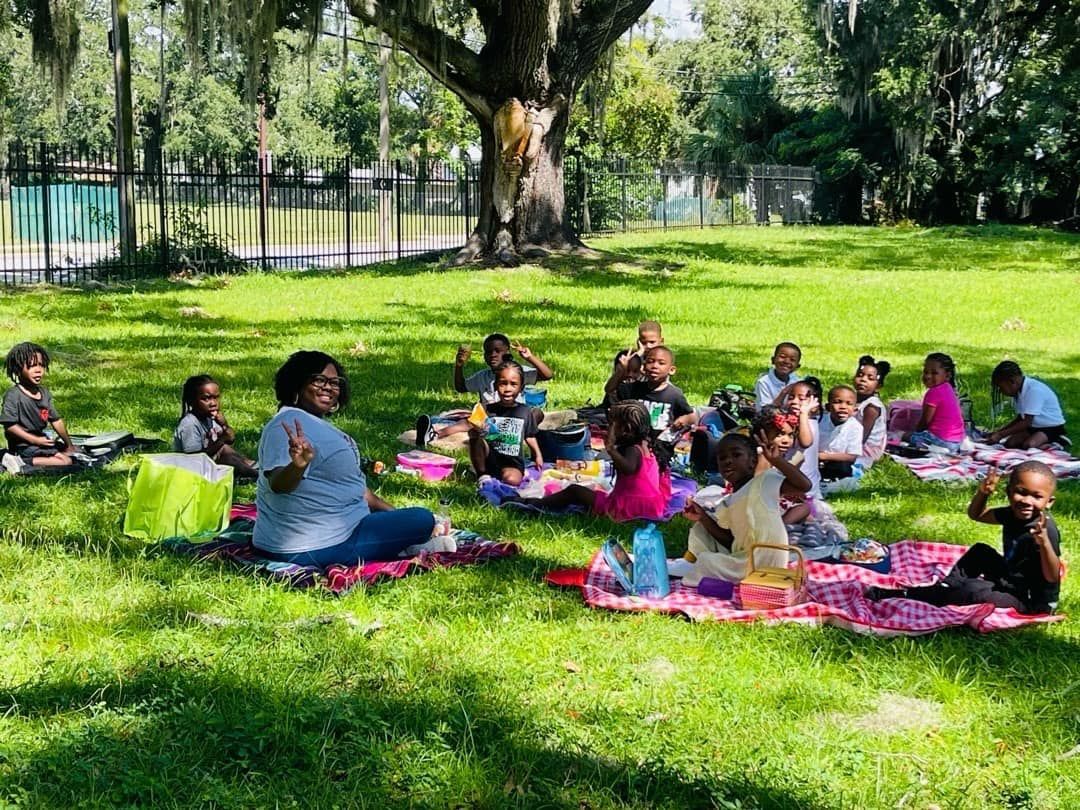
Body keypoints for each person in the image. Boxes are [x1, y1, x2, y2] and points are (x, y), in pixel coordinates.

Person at [253, 351, 436, 566]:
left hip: (342, 526)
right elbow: (278, 484)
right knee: (422, 519)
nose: (328, 387)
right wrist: (298, 466)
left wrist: (395, 515)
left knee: (412, 519)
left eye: (335, 382)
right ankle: (410, 545)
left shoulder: (312, 422)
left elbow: (356, 489)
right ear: (297, 383)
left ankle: (406, 541)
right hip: (311, 545)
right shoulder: (286, 425)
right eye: (319, 380)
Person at [867, 462, 1062, 614]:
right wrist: (983, 494)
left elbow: (1053, 576)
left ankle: (911, 594)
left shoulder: (1045, 529)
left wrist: (1044, 543)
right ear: (1009, 492)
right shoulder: (1012, 513)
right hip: (1011, 578)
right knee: (980, 551)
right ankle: (945, 587)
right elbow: (977, 515)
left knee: (973, 589)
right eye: (1021, 493)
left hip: (1030, 600)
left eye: (1037, 497)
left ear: (1049, 502)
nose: (1027, 501)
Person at [680, 428, 812, 587]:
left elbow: (804, 486)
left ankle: (703, 569)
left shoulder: (764, 481)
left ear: (752, 461)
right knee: (699, 529)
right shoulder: (727, 501)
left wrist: (777, 461)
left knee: (707, 561)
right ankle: (697, 565)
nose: (728, 461)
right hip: (743, 556)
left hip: (764, 560)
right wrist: (702, 516)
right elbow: (730, 540)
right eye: (722, 458)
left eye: (736, 455)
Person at [513, 401, 667, 521]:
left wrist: (611, 448)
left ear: (625, 429)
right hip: (652, 506)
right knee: (594, 490)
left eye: (612, 425)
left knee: (575, 491)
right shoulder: (647, 446)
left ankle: (535, 504)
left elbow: (629, 468)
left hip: (630, 508)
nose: (608, 429)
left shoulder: (632, 450)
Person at [417, 332, 553, 446]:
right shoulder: (483, 376)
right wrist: (459, 366)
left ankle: (516, 436)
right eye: (488, 352)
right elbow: (461, 387)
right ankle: (434, 434)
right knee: (473, 418)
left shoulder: (517, 371)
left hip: (516, 417)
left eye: (497, 351)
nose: (493, 355)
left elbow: (547, 375)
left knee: (537, 413)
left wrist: (530, 357)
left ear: (507, 353)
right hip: (491, 418)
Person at [2, 341, 80, 471]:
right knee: (65, 461)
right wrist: (34, 440)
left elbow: (56, 420)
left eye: (42, 365)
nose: (38, 370)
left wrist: (69, 445)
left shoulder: (44, 393)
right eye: (32, 366)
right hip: (23, 446)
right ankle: (18, 461)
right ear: (18, 370)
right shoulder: (14, 395)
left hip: (40, 443)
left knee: (71, 455)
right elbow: (10, 426)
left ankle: (29, 460)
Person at [467, 360, 543, 486]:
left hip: (512, 462)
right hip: (489, 459)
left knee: (511, 480)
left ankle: (500, 475)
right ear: (496, 385)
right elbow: (475, 429)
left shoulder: (524, 411)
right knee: (473, 435)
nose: (507, 389)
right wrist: (478, 428)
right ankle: (482, 475)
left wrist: (537, 456)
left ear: (521, 387)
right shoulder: (487, 409)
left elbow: (530, 436)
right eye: (503, 384)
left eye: (513, 384)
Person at [173, 374, 258, 479]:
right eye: (206, 398)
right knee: (227, 458)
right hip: (192, 471)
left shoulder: (210, 417)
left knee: (225, 449)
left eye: (216, 397)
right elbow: (193, 459)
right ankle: (258, 476)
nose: (213, 403)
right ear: (191, 401)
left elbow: (230, 438)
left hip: (207, 463)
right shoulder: (189, 424)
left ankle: (253, 466)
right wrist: (222, 440)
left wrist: (224, 425)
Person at [604, 345, 697, 435]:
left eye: (661, 363)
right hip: (634, 441)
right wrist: (620, 372)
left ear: (671, 370)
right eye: (650, 361)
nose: (655, 366)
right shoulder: (634, 389)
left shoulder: (674, 394)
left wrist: (683, 420)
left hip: (661, 442)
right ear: (643, 367)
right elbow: (609, 389)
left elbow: (691, 416)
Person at [987, 360, 1068, 449]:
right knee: (1010, 444)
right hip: (1033, 427)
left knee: (1029, 445)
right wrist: (999, 431)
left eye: (1002, 388)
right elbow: (1020, 418)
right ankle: (1040, 440)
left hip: (1051, 428)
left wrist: (1000, 435)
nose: (1001, 392)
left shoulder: (1034, 390)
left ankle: (1058, 440)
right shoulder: (1019, 391)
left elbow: (1026, 422)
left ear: (1012, 382)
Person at [903, 352, 966, 451]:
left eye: (934, 373)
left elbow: (925, 421)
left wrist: (916, 432)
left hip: (942, 441)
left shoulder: (934, 393)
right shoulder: (948, 388)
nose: (928, 376)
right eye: (925, 372)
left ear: (947, 375)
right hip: (958, 441)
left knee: (903, 436)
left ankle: (934, 448)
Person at [602, 320, 664, 405]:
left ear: (661, 341)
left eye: (652, 342)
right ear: (638, 342)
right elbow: (609, 388)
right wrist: (639, 354)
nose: (648, 346)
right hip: (620, 403)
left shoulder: (663, 361)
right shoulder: (629, 358)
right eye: (644, 343)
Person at [818, 385, 864, 481]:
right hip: (816, 459)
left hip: (838, 462)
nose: (843, 407)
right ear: (828, 407)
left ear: (855, 410)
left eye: (849, 404)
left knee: (843, 469)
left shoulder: (855, 427)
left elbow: (852, 456)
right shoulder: (820, 421)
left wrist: (823, 456)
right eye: (837, 402)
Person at [852, 354, 891, 467]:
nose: (863, 380)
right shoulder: (853, 398)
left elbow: (862, 437)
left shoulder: (872, 407)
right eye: (860, 375)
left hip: (866, 448)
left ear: (878, 385)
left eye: (870, 378)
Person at [754, 342, 802, 411]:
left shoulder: (797, 382)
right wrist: (784, 392)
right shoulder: (764, 382)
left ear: (797, 366)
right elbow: (766, 411)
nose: (786, 361)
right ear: (773, 360)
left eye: (792, 360)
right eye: (782, 357)